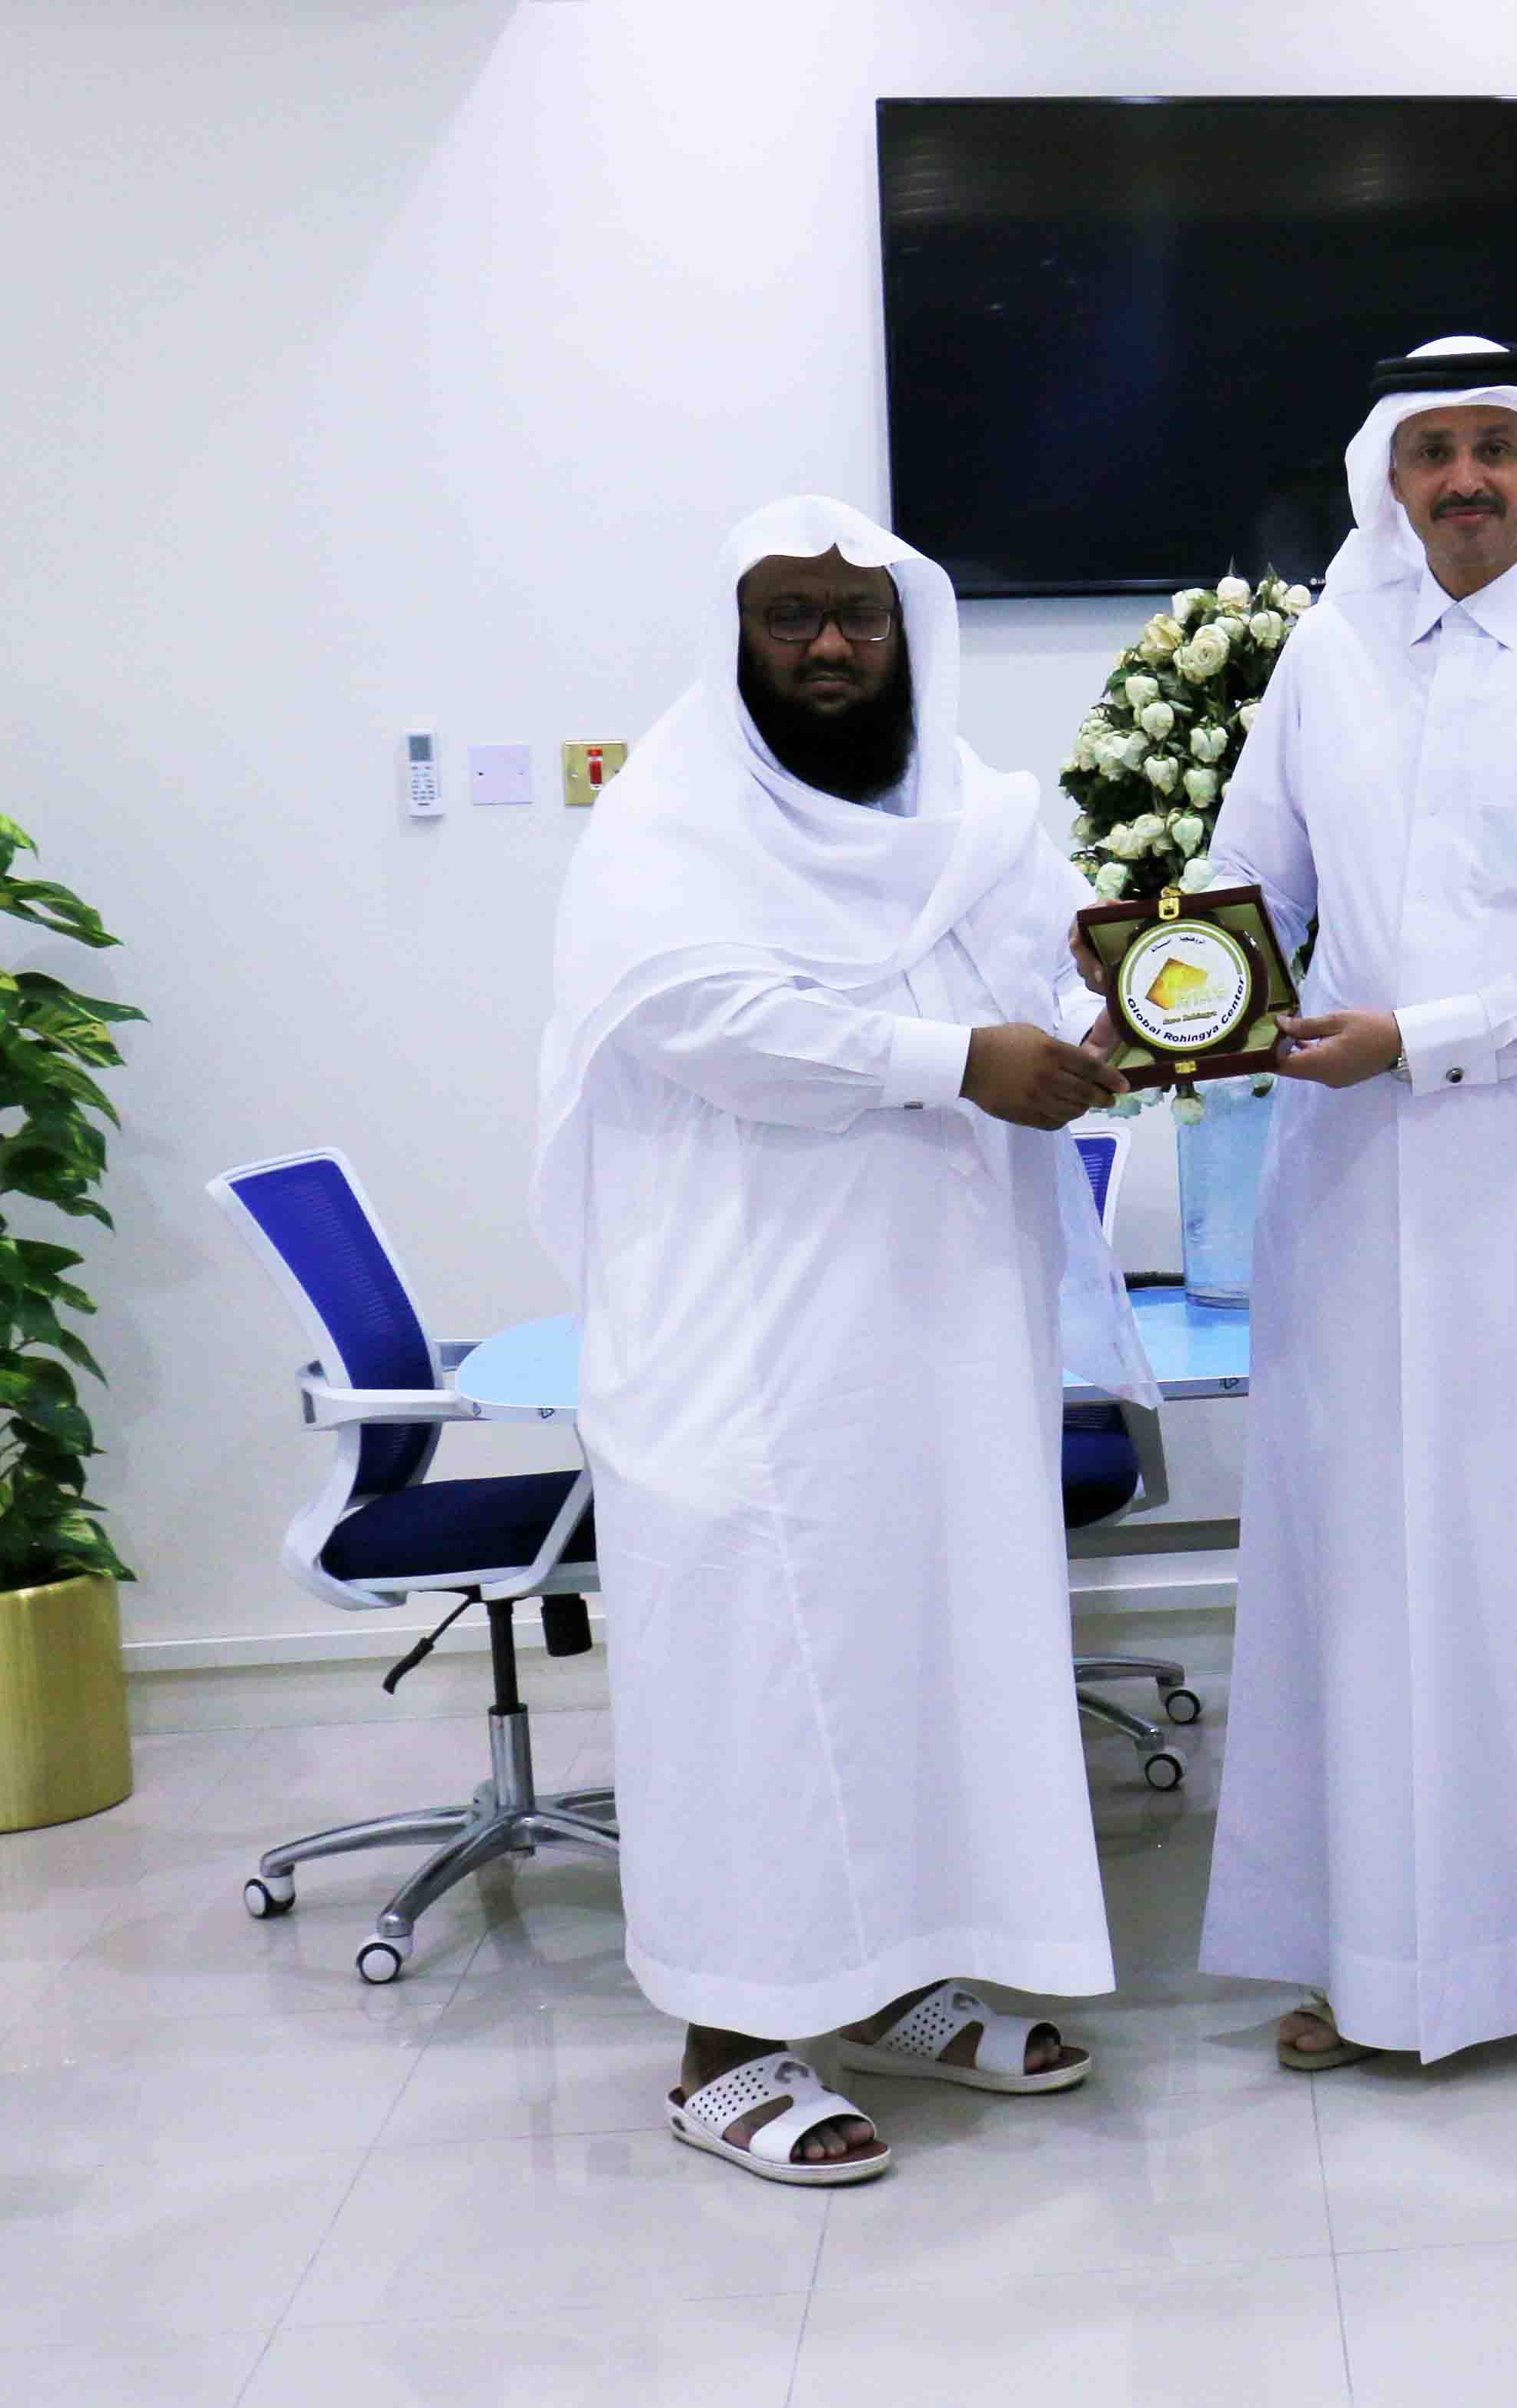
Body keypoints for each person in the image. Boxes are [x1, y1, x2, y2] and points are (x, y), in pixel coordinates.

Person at [533, 495, 1154, 2186]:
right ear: (737, 636)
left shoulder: (973, 816)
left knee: (931, 1654)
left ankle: (897, 1984)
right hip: (743, 1343)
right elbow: (705, 1019)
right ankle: (725, 2043)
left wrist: (1132, 1015)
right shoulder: (667, 818)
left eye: (858, 619)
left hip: (942, 1331)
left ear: (907, 636)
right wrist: (958, 1064)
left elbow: (1056, 975)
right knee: (758, 1675)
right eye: (792, 616)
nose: (828, 646)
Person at [1190, 336, 1517, 2088]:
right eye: (1435, 452)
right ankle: (1376, 1960)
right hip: (1352, 1198)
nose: (1467, 480)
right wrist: (1162, 984)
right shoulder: (1328, 656)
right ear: (1390, 476)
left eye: (1498, 447)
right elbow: (1248, 878)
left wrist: (1424, 1037)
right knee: (1363, 1575)